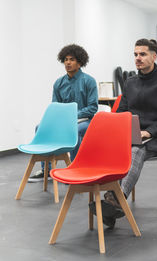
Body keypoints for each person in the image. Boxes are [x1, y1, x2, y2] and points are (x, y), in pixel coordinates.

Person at [89, 38, 157, 228]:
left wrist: (148, 132)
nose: (138, 58)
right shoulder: (130, 82)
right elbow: (122, 110)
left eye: (143, 54)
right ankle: (111, 205)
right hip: (132, 134)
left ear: (154, 56)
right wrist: (115, 128)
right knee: (113, 149)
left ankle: (115, 199)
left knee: (135, 150)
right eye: (135, 54)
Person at [28, 44, 98, 182]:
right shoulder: (59, 83)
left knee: (75, 130)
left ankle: (74, 167)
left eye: (71, 59)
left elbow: (92, 108)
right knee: (39, 127)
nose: (68, 62)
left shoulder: (89, 81)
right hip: (64, 121)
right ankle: (46, 170)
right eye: (65, 59)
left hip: (85, 121)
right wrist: (62, 118)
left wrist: (72, 115)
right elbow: (56, 107)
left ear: (79, 62)